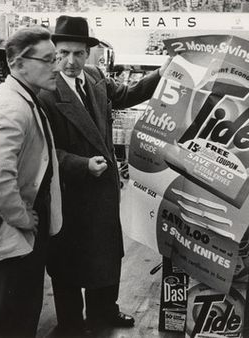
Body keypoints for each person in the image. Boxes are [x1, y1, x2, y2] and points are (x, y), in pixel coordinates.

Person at [39, 15, 170, 334]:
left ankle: (104, 310)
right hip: (71, 190)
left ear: (88, 54)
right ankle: (70, 320)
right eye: (64, 53)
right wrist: (82, 165)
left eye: (78, 53)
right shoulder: (44, 92)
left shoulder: (96, 77)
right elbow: (44, 152)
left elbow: (128, 94)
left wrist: (161, 73)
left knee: (105, 252)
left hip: (103, 189)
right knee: (69, 259)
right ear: (54, 52)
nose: (71, 61)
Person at [0, 26, 62, 338]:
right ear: (19, 63)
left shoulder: (24, 98)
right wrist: (22, 217)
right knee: (12, 320)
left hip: (23, 233)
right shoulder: (10, 107)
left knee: (22, 313)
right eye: (48, 60)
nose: (57, 66)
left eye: (56, 58)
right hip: (15, 232)